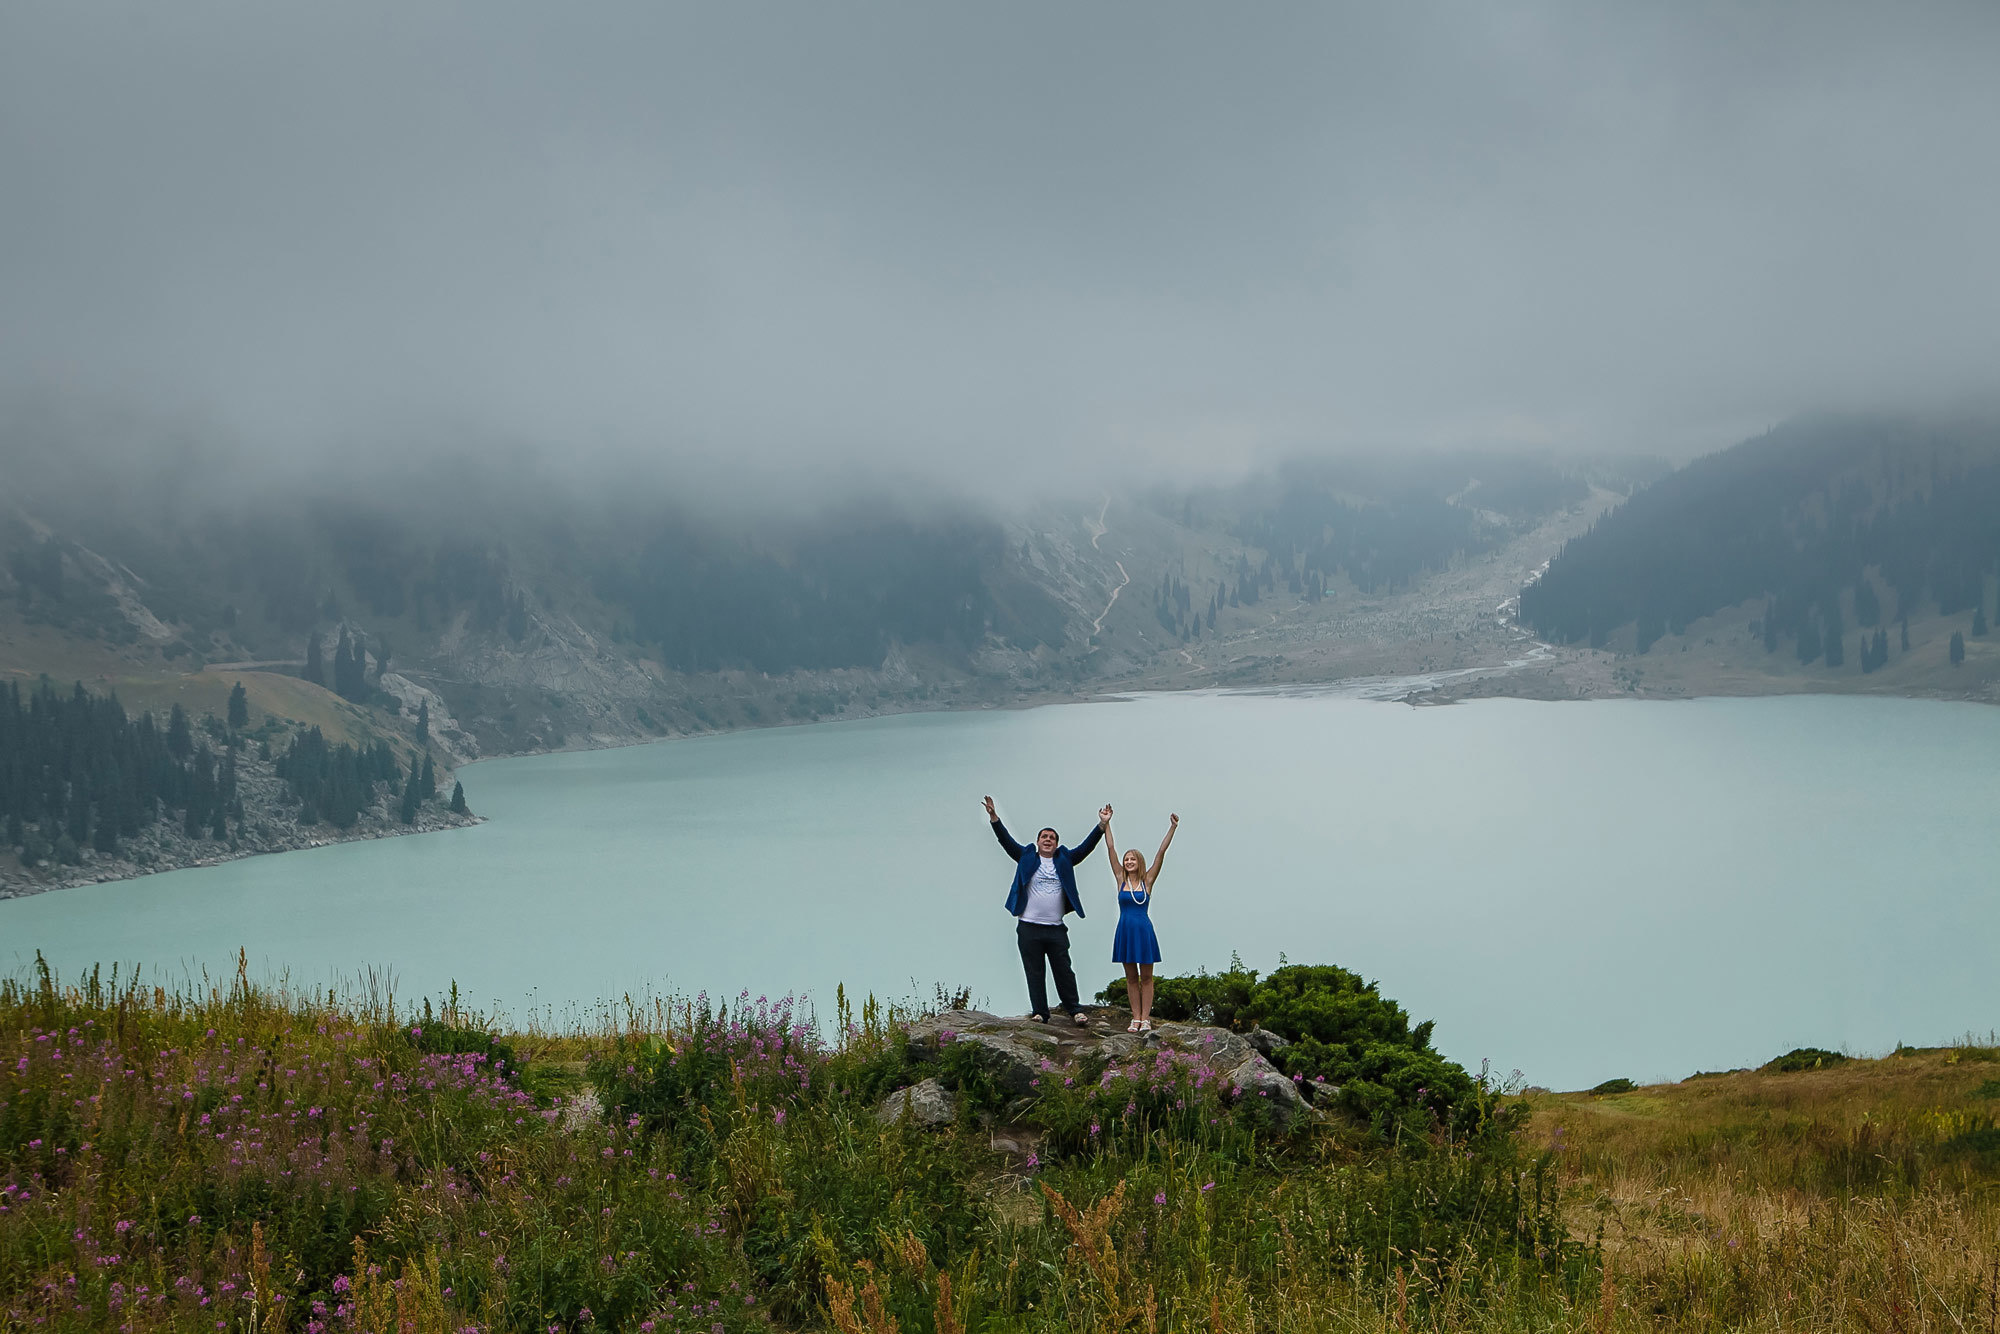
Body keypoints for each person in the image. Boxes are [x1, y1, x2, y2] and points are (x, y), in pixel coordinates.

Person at [983, 795, 1110, 1026]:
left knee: (1064, 970)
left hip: (1055, 928)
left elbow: (1086, 847)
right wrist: (994, 818)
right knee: (1034, 971)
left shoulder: (1065, 858)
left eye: (1052, 838)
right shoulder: (1026, 856)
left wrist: (1101, 825)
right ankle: (1040, 1012)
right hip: (1029, 926)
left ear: (1057, 843)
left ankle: (1075, 1010)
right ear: (1038, 841)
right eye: (1044, 837)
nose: (1048, 840)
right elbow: (1006, 841)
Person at [1104, 812, 1176, 1032]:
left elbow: (1160, 854)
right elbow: (1110, 849)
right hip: (1125, 930)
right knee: (1130, 977)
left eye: (1132, 859)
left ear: (1139, 862)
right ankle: (1135, 1018)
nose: (1128, 862)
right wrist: (1106, 824)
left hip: (1143, 930)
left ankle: (1146, 1018)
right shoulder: (1120, 879)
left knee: (1146, 977)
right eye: (1126, 859)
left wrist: (1172, 827)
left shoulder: (1148, 881)